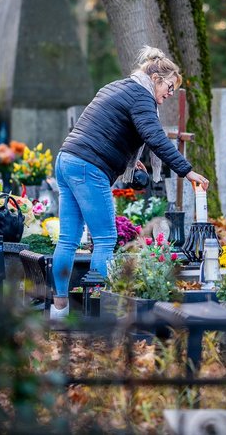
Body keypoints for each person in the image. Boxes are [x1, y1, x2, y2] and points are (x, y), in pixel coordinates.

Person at [50, 46, 209, 318]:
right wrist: (187, 170)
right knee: (105, 238)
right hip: (89, 167)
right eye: (169, 87)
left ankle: (59, 309)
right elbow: (155, 138)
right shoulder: (141, 96)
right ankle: (98, 311)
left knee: (68, 240)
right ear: (156, 78)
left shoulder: (117, 86)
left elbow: (105, 125)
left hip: (67, 159)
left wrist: (127, 158)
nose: (169, 95)